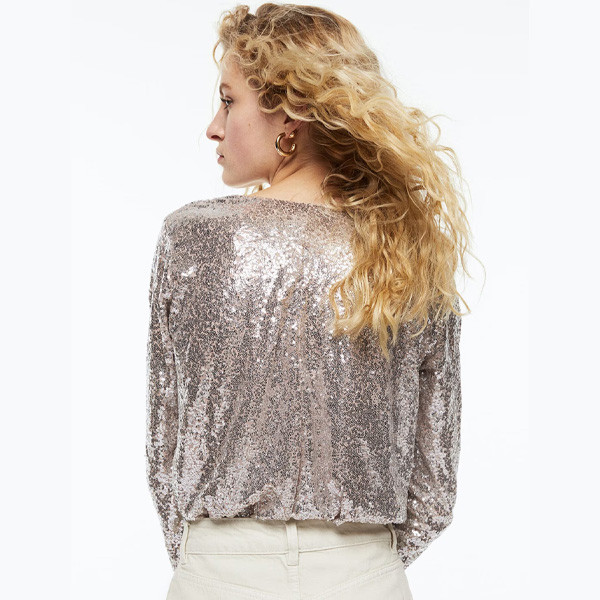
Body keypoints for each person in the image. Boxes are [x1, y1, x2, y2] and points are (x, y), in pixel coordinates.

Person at [146, 3, 474, 599]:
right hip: (363, 575)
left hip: (219, 572)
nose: (214, 127)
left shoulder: (192, 238)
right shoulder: (408, 248)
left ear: (289, 113)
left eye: (228, 101)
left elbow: (164, 442)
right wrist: (358, 562)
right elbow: (434, 479)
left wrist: (212, 556)